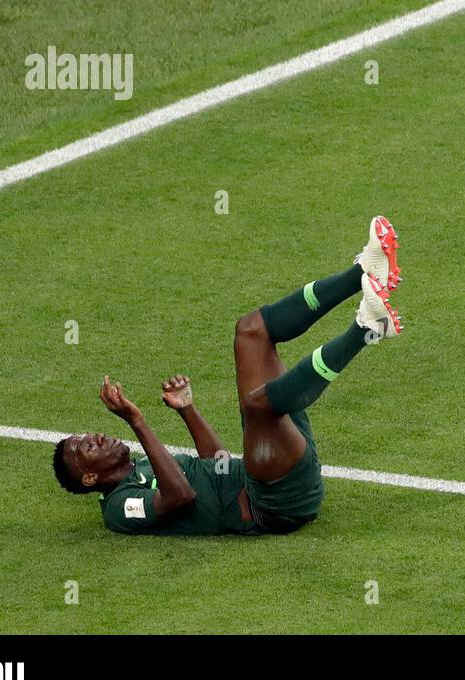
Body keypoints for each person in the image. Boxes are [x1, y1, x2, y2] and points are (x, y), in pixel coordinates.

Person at [52, 216, 403, 535]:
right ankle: (366, 329)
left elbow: (218, 463)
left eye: (91, 435)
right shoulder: (118, 508)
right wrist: (137, 420)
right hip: (273, 505)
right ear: (89, 477)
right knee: (257, 406)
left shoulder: (144, 463)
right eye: (88, 446)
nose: (98, 436)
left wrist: (188, 410)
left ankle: (362, 273)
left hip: (268, 469)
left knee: (251, 330)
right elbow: (180, 497)